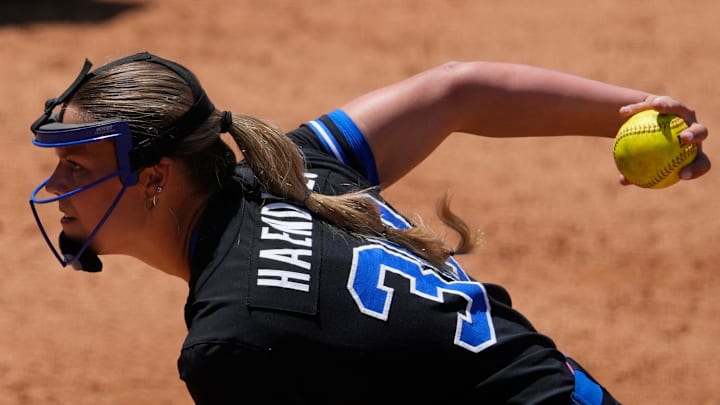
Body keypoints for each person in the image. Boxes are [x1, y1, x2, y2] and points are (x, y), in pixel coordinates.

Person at [28, 51, 710, 405]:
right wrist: (628, 112)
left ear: (156, 177)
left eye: (76, 165)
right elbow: (457, 89)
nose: (56, 187)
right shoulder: (291, 170)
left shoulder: (233, 340)